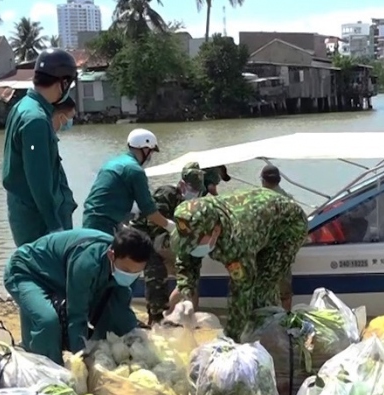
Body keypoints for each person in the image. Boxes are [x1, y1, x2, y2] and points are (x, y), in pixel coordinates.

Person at [170, 188, 307, 341]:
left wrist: (231, 339)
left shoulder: (236, 241)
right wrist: (186, 295)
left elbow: (241, 292)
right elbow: (186, 258)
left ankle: (271, 337)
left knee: (262, 287)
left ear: (216, 231)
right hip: (259, 219)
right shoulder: (191, 223)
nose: (192, 247)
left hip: (288, 225)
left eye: (196, 243)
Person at [3, 227, 154, 364]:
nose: (130, 275)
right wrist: (82, 356)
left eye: (136, 272)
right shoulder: (87, 262)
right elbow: (76, 314)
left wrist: (137, 341)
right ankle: (50, 370)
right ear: (111, 255)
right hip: (26, 270)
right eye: (126, 269)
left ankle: (30, 348)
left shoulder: (126, 269)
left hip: (58, 276)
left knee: (114, 316)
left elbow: (120, 308)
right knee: (47, 320)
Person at [2, 48, 78, 246]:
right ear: (63, 82)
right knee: (47, 275)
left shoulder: (22, 107)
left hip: (27, 214)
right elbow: (39, 180)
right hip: (39, 222)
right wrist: (55, 225)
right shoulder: (36, 120)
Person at [130, 163, 206, 324]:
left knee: (186, 270)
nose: (195, 193)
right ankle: (156, 317)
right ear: (182, 185)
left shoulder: (191, 203)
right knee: (156, 272)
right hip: (142, 236)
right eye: (192, 188)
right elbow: (154, 225)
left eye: (197, 189)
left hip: (162, 238)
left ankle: (171, 314)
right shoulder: (167, 194)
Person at [82, 128, 177, 235]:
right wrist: (169, 226)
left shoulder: (112, 163)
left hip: (90, 218)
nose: (150, 157)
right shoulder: (135, 171)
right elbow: (148, 210)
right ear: (145, 149)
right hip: (105, 224)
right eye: (151, 152)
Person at [260, 163, 294, 310]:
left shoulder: (260, 200)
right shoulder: (289, 199)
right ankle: (286, 320)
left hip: (265, 251)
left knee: (262, 290)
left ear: (263, 181)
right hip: (283, 252)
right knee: (285, 292)